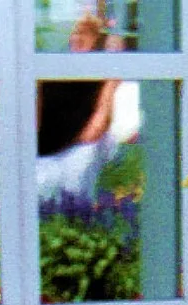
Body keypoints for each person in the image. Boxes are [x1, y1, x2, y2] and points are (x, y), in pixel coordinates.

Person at [36, 8, 131, 204]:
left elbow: (93, 133)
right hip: (42, 150)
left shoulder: (101, 80)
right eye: (77, 32)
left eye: (86, 34)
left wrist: (111, 83)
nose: (78, 38)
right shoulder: (53, 73)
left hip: (75, 149)